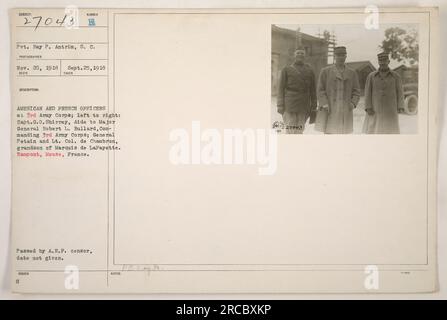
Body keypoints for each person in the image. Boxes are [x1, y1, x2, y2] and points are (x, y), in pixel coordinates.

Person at [317, 46, 360, 134]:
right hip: (330, 108)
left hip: (346, 108)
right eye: (338, 55)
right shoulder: (325, 71)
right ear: (334, 56)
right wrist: (324, 103)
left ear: (346, 56)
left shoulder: (352, 73)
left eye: (343, 55)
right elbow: (320, 89)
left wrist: (353, 103)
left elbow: (356, 91)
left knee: (344, 134)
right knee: (330, 133)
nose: (341, 57)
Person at [276, 47, 317, 134]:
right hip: (290, 104)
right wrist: (280, 105)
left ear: (305, 56)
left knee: (300, 129)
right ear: (294, 55)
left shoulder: (310, 71)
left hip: (304, 104)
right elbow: (281, 88)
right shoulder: (286, 69)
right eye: (298, 53)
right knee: (290, 128)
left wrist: (314, 105)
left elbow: (313, 90)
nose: (300, 55)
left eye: (302, 53)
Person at [362, 52, 405, 134]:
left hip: (391, 109)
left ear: (388, 61)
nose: (383, 63)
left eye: (385, 61)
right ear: (378, 62)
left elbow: (400, 92)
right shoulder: (371, 76)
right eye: (381, 61)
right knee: (375, 130)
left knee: (391, 130)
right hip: (375, 108)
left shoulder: (396, 76)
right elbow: (367, 93)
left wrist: (400, 106)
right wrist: (368, 107)